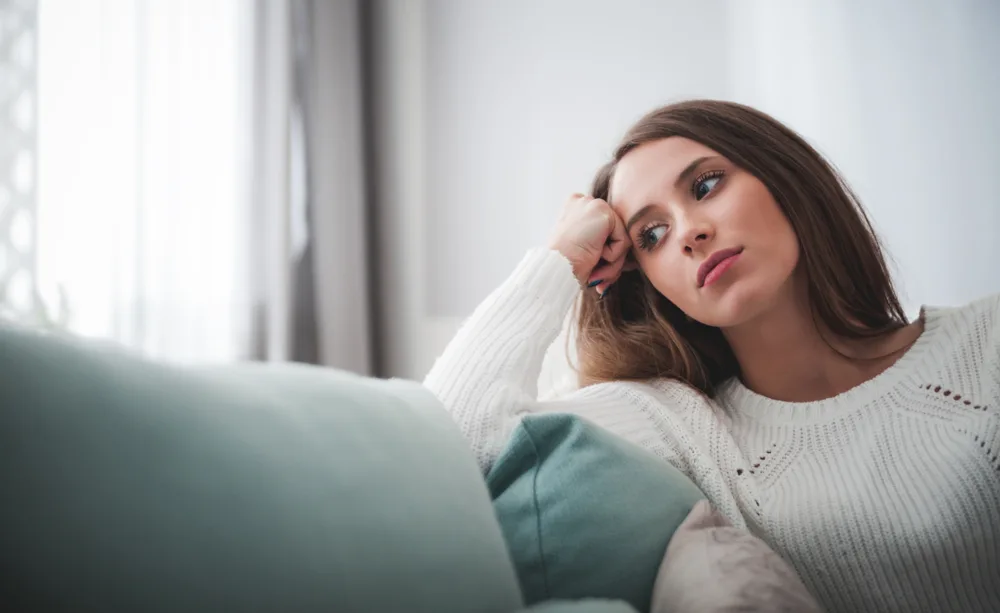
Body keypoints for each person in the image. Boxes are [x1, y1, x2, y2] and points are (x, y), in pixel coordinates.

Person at [423, 100, 1000, 613]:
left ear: (783, 177)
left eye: (704, 186)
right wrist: (558, 260)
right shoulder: (682, 426)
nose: (689, 233)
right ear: (649, 283)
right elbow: (448, 451)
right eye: (650, 235)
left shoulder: (986, 342)